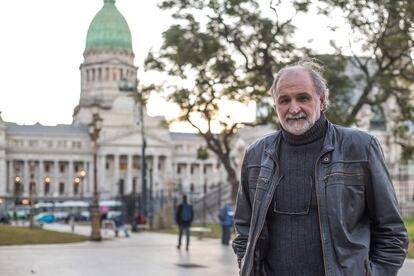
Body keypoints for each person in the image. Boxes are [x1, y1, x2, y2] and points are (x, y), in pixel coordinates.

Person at [232, 60, 409, 276]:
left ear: (322, 100)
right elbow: (244, 229)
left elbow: (392, 232)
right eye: (284, 100)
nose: (294, 108)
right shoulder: (256, 155)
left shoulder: (360, 147)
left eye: (303, 98)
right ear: (275, 105)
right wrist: (247, 265)